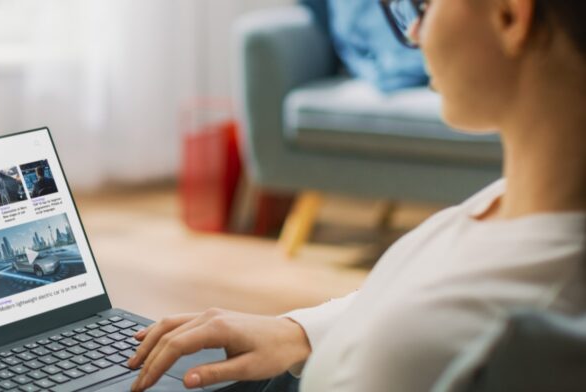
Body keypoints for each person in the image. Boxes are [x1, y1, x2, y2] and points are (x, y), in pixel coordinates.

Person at [125, 0, 586, 391]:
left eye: (424, 5)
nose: (416, 30)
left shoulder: (529, 315)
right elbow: (414, 303)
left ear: (509, 16)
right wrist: (298, 331)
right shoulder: (520, 203)